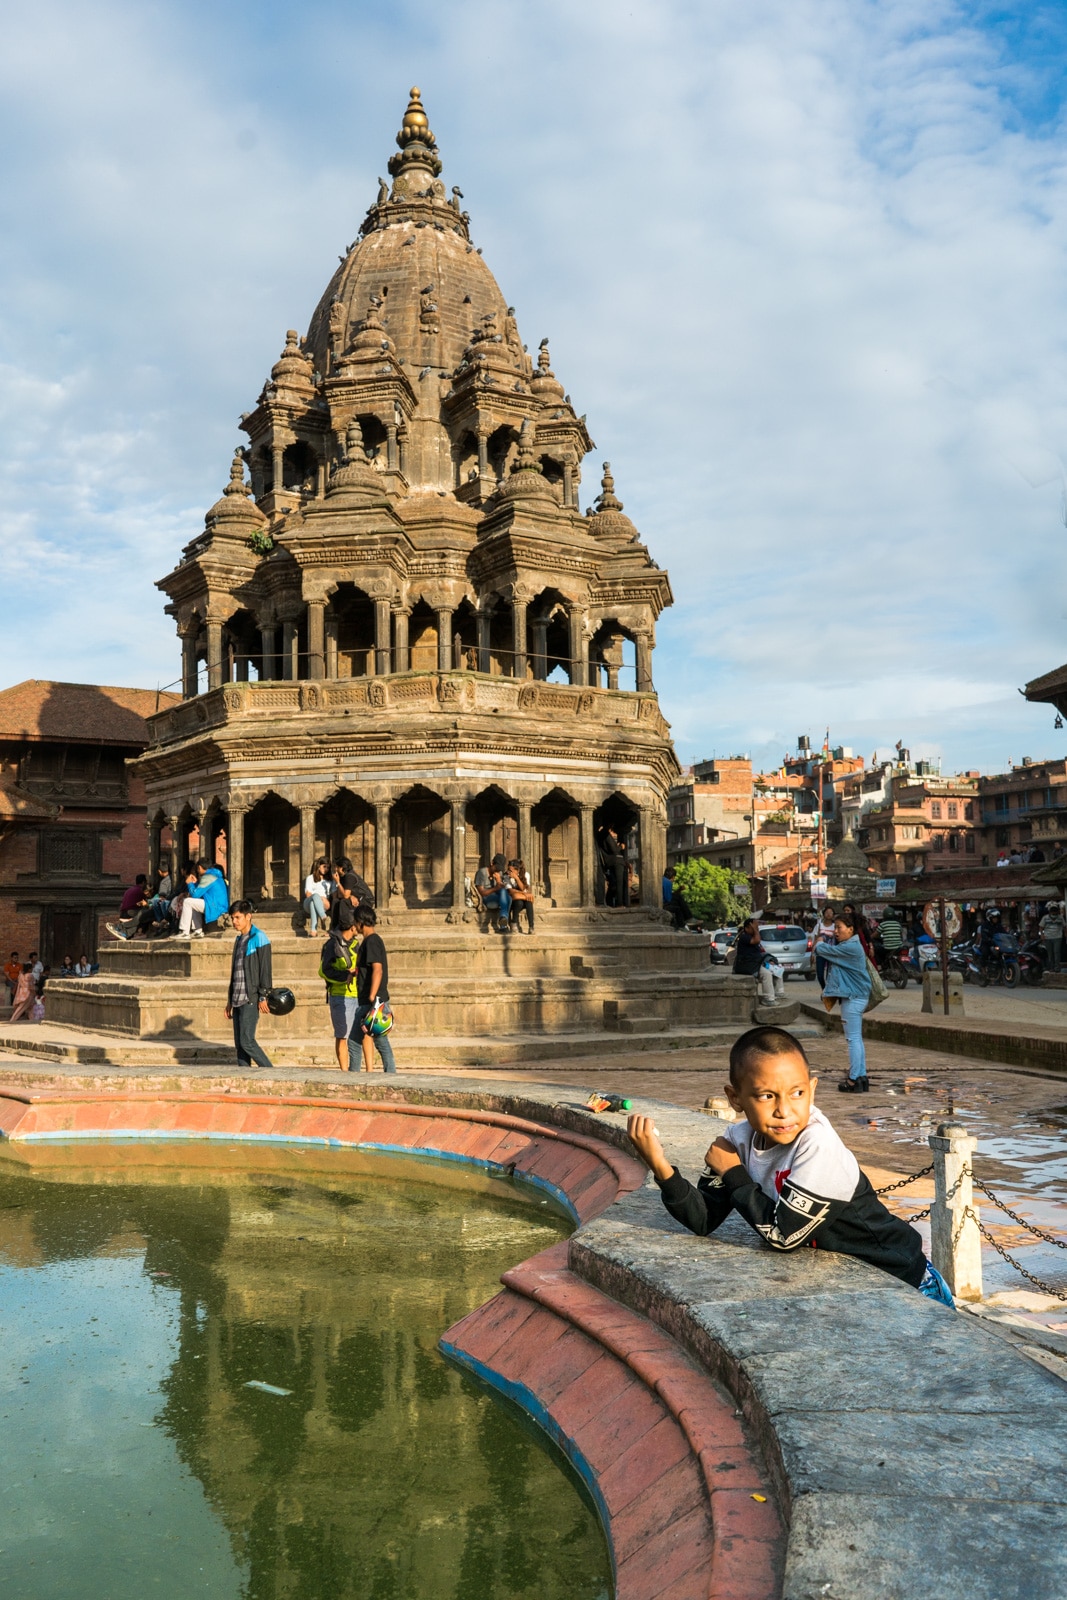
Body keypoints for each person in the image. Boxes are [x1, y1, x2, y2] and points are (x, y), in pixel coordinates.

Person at [625, 1025, 953, 1304]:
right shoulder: (738, 1140)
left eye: (796, 1093)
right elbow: (704, 1218)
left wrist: (734, 1172)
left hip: (906, 1283)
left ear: (811, 1089)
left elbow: (784, 1236)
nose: (784, 1110)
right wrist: (660, 1166)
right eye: (767, 1096)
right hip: (847, 1288)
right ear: (735, 1098)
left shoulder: (817, 1144)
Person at [818, 907, 871, 1092]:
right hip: (856, 997)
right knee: (857, 1039)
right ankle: (861, 1076)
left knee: (853, 1039)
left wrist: (818, 941)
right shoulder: (851, 946)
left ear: (851, 929)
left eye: (839, 927)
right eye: (835, 927)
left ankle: (854, 1079)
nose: (836, 931)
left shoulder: (849, 947)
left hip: (853, 998)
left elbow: (822, 950)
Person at [224, 900, 274, 1071]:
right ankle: (244, 1077)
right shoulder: (239, 940)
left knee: (247, 1041)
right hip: (237, 998)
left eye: (237, 917)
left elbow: (265, 970)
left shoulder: (260, 937)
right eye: (232, 918)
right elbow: (235, 972)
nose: (234, 922)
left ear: (248, 916)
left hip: (250, 998)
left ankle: (272, 1073)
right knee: (240, 1045)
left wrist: (263, 995)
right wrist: (230, 1000)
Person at [318, 902, 362, 1071]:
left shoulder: (355, 944)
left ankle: (356, 1070)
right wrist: (346, 975)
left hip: (357, 994)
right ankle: (344, 1073)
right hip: (340, 996)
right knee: (342, 1036)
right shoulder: (332, 945)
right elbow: (324, 971)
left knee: (356, 1037)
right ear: (351, 926)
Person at [352, 906, 396, 1073]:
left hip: (373, 1001)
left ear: (361, 922)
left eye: (356, 922)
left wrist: (372, 996)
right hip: (370, 1000)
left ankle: (388, 1075)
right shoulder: (369, 941)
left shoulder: (372, 941)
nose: (354, 926)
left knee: (371, 1041)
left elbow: (378, 969)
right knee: (374, 1040)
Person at [732, 918, 782, 1007]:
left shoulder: (752, 936)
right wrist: (755, 929)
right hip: (747, 965)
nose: (757, 928)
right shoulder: (744, 937)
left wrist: (769, 961)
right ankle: (768, 999)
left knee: (777, 969)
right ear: (748, 927)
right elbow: (757, 940)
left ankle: (779, 993)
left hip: (756, 963)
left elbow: (760, 952)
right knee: (766, 973)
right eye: (755, 926)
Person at [177, 860, 229, 938]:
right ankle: (197, 931)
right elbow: (201, 891)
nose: (197, 871)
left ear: (200, 867)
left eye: (197, 869)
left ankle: (184, 931)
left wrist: (190, 883)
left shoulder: (208, 877)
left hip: (215, 907)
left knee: (187, 901)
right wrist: (195, 883)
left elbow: (195, 895)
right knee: (193, 903)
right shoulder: (214, 875)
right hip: (217, 905)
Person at [473, 855, 511, 932]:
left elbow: (503, 889)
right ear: (491, 863)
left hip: (497, 898)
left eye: (499, 869)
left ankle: (503, 921)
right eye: (496, 868)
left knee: (508, 897)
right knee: (507, 899)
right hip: (486, 898)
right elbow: (482, 893)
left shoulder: (499, 873)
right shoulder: (482, 872)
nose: (497, 871)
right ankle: (503, 923)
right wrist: (496, 888)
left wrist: (499, 881)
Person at [598, 825, 628, 907]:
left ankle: (610, 903)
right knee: (619, 883)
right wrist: (620, 847)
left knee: (614, 884)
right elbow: (614, 850)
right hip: (616, 860)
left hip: (612, 861)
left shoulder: (603, 834)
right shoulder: (606, 834)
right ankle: (620, 904)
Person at [303, 857, 333, 935]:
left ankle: (313, 930)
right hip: (308, 903)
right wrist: (319, 898)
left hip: (323, 904)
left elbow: (331, 895)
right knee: (314, 897)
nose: (326, 869)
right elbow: (308, 894)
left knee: (313, 903)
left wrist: (325, 900)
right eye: (324, 866)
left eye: (328, 867)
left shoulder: (330, 881)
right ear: (319, 866)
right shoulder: (310, 878)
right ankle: (323, 917)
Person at [506, 859, 535, 933]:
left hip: (522, 898)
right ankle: (514, 922)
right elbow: (511, 891)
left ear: (517, 870)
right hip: (512, 900)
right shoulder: (506, 876)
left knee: (529, 902)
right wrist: (525, 894)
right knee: (519, 902)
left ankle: (531, 927)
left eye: (511, 870)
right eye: (508, 869)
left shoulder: (526, 875)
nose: (509, 872)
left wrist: (516, 878)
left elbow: (523, 888)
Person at [811, 906, 835, 988]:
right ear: (824, 914)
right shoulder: (819, 926)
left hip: (831, 953)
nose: (828, 914)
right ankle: (824, 989)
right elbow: (815, 940)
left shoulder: (835, 926)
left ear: (833, 915)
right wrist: (812, 954)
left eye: (831, 912)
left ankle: (827, 993)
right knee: (820, 975)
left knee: (830, 975)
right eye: (827, 912)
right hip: (820, 953)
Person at [1040, 902, 1065, 973]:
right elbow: (1041, 927)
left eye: (1055, 910)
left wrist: (1065, 934)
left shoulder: (1060, 918)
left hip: (1058, 937)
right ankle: (1051, 967)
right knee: (1050, 953)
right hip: (1048, 937)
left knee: (1057, 953)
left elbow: (1064, 927)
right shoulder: (1045, 918)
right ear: (1050, 911)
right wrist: (1042, 935)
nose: (1054, 912)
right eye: (1052, 910)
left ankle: (1057, 968)